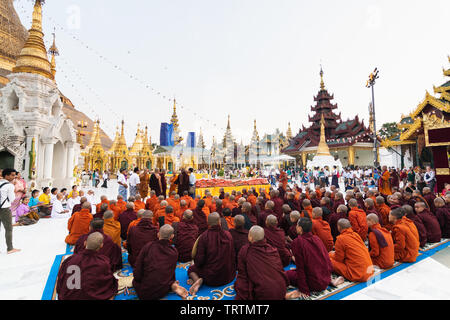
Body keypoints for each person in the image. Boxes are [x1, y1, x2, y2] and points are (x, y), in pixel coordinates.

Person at [133, 224, 188, 300]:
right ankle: (171, 285)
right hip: (162, 290)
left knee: (136, 281)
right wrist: (171, 282)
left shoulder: (148, 246)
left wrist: (137, 279)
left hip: (144, 292)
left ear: (158, 234)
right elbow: (170, 271)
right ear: (172, 236)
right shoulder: (174, 251)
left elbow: (138, 268)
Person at [56, 232, 118, 300]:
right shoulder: (103, 263)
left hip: (67, 297)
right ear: (101, 245)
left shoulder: (69, 260)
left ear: (85, 243)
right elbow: (108, 282)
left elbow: (60, 281)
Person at [285, 217, 335, 299]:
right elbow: (326, 259)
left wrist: (304, 290)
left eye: (297, 225)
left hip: (313, 283)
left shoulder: (298, 242)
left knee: (286, 274)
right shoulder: (317, 238)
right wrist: (327, 278)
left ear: (300, 228)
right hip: (325, 279)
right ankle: (331, 281)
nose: (296, 227)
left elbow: (301, 267)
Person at [234, 225, 289, 300]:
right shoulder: (272, 249)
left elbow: (242, 274)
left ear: (250, 237)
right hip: (281, 290)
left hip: (263, 295)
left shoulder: (245, 251)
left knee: (239, 284)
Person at [187, 212, 236, 296]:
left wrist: (196, 264)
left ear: (208, 223)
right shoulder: (228, 235)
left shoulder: (204, 237)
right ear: (219, 222)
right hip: (228, 275)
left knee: (191, 269)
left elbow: (199, 261)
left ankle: (197, 279)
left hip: (211, 278)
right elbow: (232, 255)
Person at [0, 169, 20, 254]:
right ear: (6, 176)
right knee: (8, 229)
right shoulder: (10, 185)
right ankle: (10, 248)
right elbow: (12, 199)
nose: (14, 177)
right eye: (12, 175)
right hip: (4, 209)